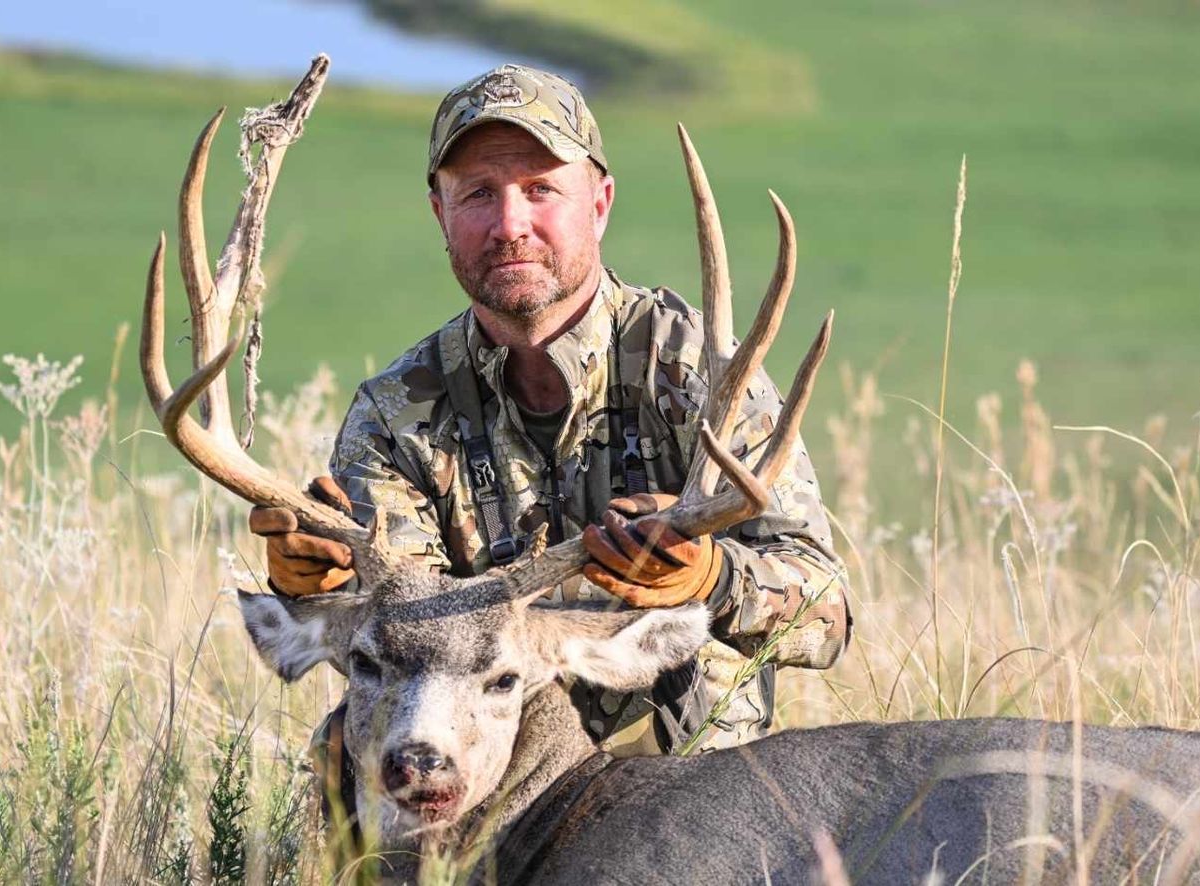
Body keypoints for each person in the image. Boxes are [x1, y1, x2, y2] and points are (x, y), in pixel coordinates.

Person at [249, 64, 850, 755]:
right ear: (439, 212)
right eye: (479, 193)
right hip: (485, 767)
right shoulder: (397, 413)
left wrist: (711, 578)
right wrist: (316, 583)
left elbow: (827, 616)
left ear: (599, 202)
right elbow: (397, 642)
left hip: (685, 776)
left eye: (541, 190)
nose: (510, 226)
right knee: (341, 760)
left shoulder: (697, 372)